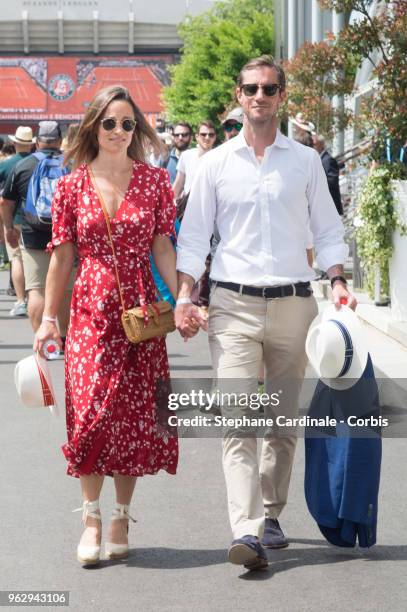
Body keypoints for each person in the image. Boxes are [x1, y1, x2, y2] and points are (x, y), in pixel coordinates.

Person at [175, 55, 356, 571]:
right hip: (231, 303)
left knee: (279, 420)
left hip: (295, 304)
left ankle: (271, 512)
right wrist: (186, 295)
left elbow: (326, 227)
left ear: (282, 95)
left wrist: (338, 280)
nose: (260, 96)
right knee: (237, 418)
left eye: (269, 88)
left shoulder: (303, 162)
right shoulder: (213, 165)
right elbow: (193, 240)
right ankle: (246, 530)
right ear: (239, 94)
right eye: (251, 88)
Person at [33, 86, 200, 567]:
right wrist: (48, 319)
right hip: (88, 313)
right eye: (110, 123)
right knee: (88, 414)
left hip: (140, 319)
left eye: (128, 124)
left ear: (137, 130)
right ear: (93, 127)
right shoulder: (70, 186)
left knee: (134, 419)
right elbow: (62, 259)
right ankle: (90, 516)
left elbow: (164, 248)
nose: (119, 132)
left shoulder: (153, 183)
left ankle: (121, 516)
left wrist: (184, 301)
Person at [1, 121, 74, 335]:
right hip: (67, 236)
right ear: (59, 141)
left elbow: (6, 202)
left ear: (38, 141)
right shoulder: (74, 164)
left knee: (37, 289)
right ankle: (63, 339)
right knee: (67, 290)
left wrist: (8, 229)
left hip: (33, 235)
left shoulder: (23, 166)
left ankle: (43, 341)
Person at [0, 126, 36, 316]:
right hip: (37, 220)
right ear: (32, 144)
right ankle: (36, 297)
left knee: (16, 259)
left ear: (14, 144)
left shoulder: (6, 164)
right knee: (36, 259)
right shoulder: (37, 162)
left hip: (13, 218)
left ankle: (21, 300)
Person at [172, 120, 217, 201]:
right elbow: (178, 185)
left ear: (215, 137)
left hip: (211, 208)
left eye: (211, 135)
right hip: (188, 208)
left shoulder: (220, 158)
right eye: (203, 134)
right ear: (197, 136)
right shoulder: (186, 156)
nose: (207, 137)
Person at [312, 134, 343, 216]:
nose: (312, 146)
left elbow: (332, 182)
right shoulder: (318, 159)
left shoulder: (328, 160)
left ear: (321, 145)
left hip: (329, 206)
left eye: (314, 144)